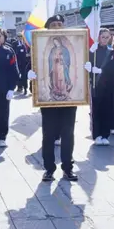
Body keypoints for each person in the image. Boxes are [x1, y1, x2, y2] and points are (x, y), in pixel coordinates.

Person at [29, 15, 78, 182]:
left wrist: (88, 70)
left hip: (69, 100)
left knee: (68, 133)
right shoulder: (41, 45)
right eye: (54, 24)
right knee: (48, 134)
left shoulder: (70, 45)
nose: (57, 26)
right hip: (49, 100)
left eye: (60, 24)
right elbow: (42, 65)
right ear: (48, 27)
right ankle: (49, 168)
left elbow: (72, 62)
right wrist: (32, 77)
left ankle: (68, 168)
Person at [87, 28, 114, 146]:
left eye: (107, 37)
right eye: (103, 37)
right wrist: (90, 64)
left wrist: (101, 70)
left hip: (108, 85)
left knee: (107, 109)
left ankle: (105, 134)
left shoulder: (112, 52)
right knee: (96, 110)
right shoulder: (93, 51)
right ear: (98, 37)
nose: (105, 39)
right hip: (96, 85)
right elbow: (86, 65)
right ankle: (97, 135)